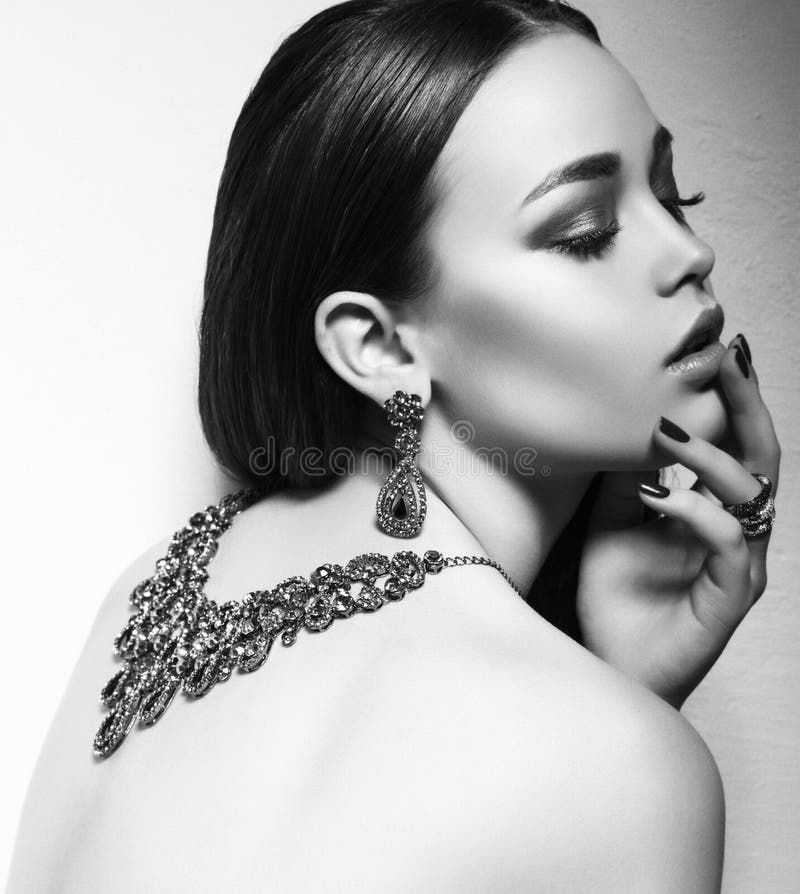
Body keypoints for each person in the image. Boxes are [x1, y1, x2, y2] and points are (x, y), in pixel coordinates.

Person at [6, 1, 781, 891]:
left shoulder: (148, 596)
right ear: (377, 346)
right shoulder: (621, 763)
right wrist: (632, 746)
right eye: (585, 232)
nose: (689, 251)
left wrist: (618, 692)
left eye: (673, 195)